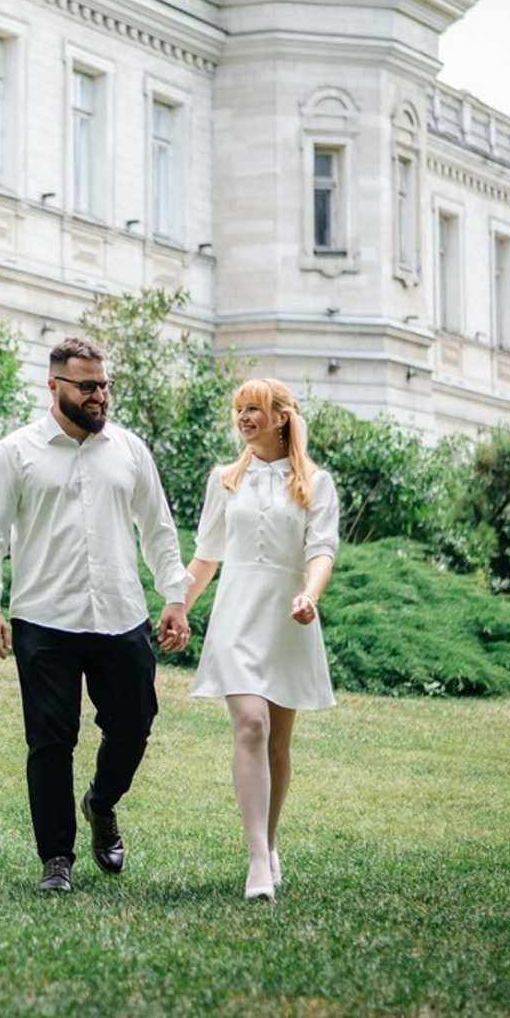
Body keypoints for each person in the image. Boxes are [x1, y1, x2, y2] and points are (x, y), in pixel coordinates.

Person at [0, 336, 192, 893]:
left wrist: (174, 596)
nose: (99, 397)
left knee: (134, 724)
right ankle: (56, 859)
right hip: (45, 619)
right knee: (50, 741)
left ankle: (102, 800)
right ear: (54, 386)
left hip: (121, 614)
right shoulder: (16, 451)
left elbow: (159, 530)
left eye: (104, 385)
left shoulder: (129, 450)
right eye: (87, 386)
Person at [183, 378, 338, 902]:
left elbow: (322, 550)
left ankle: (271, 844)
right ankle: (255, 862)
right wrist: (177, 605)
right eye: (240, 409)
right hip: (236, 616)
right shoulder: (224, 480)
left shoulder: (316, 482)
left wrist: (310, 596)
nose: (244, 418)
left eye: (255, 409)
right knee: (251, 724)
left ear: (282, 417)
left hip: (288, 618)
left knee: (277, 741)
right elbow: (207, 555)